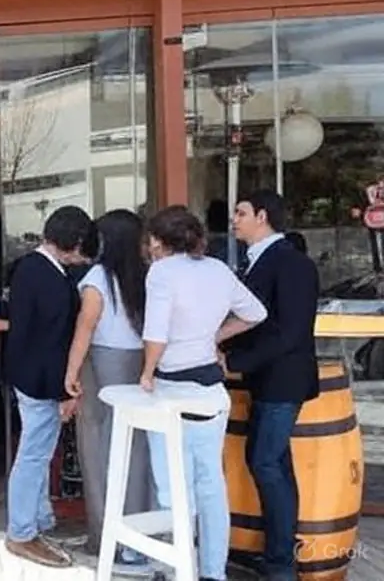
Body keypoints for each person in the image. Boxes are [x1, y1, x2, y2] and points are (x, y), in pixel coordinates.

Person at [141, 206, 268, 581]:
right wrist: (214, 335)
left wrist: (147, 372)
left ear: (161, 242)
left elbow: (156, 333)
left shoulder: (161, 272)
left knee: (173, 488)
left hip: (172, 387)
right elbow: (256, 313)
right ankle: (213, 571)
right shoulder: (217, 269)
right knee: (211, 485)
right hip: (212, 390)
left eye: (151, 240)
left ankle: (178, 567)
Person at [226, 190, 320, 581]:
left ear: (262, 217)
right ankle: (279, 554)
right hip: (266, 380)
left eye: (240, 212)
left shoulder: (291, 264)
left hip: (284, 380)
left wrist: (233, 362)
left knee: (266, 462)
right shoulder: (257, 262)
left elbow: (290, 333)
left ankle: (280, 563)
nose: (234, 219)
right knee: (274, 463)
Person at [3, 205, 96, 568]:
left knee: (35, 453)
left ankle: (39, 521)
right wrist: (65, 391)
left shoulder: (27, 267)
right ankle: (22, 531)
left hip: (25, 374)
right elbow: (54, 342)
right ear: (73, 242)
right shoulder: (55, 282)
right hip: (43, 380)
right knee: (34, 456)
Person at [63, 209, 153, 573]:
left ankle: (106, 537)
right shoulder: (145, 276)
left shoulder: (98, 277)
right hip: (139, 364)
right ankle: (139, 537)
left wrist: (70, 373)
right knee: (137, 450)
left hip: (101, 365)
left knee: (99, 449)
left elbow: (85, 328)